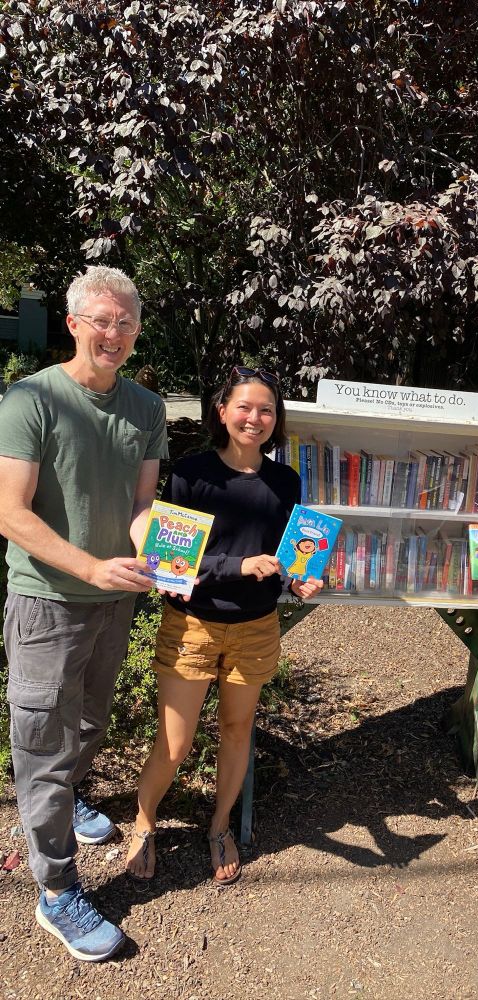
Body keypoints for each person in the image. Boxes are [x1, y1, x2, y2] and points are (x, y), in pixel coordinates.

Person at [0, 267, 168, 961]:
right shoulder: (30, 400)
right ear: (73, 324)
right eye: (102, 320)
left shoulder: (146, 407)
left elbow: (141, 505)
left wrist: (159, 554)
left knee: (89, 723)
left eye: (126, 322)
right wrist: (92, 567)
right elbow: (10, 512)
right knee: (43, 744)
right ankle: (56, 890)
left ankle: (69, 800)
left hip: (115, 601)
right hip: (47, 602)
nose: (114, 333)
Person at [125, 366, 322, 885]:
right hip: (193, 624)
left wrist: (298, 579)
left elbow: (289, 555)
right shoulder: (192, 473)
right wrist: (238, 566)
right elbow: (167, 562)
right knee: (175, 742)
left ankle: (219, 826)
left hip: (256, 627)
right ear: (222, 411)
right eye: (245, 407)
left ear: (276, 419)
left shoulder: (286, 481)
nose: (255, 418)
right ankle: (143, 823)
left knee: (237, 732)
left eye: (266, 410)